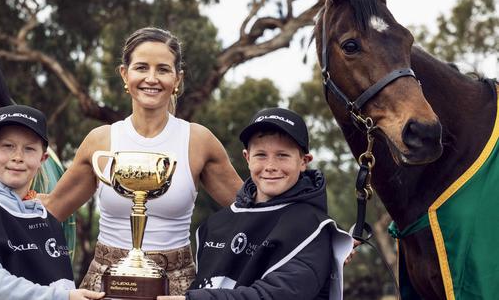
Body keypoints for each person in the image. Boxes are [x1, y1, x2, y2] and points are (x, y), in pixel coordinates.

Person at [42, 27, 244, 295]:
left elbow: (250, 211)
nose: (152, 78)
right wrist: (0, 196)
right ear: (125, 75)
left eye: (163, 69)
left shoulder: (198, 140)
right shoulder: (99, 141)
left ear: (178, 79)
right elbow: (52, 211)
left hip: (175, 288)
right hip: (104, 284)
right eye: (141, 68)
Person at [158, 107, 353, 300]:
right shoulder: (215, 225)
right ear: (247, 158)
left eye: (282, 155)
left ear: (304, 161)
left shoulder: (315, 230)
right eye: (261, 155)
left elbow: (277, 294)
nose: (270, 166)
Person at [0, 105, 105, 300]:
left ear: (42, 158)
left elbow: (61, 283)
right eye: (8, 146)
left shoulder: (46, 219)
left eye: (29, 149)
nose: (17, 157)